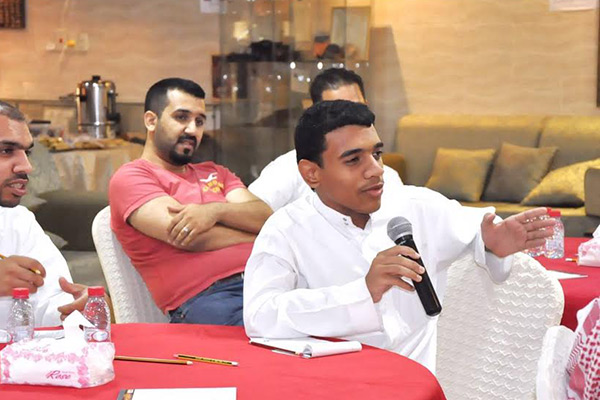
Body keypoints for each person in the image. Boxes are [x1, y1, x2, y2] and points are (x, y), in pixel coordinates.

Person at [243, 100, 554, 372]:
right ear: (311, 173)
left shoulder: (417, 206)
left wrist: (494, 242)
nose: (376, 170)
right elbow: (260, 316)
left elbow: (481, 230)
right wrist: (362, 292)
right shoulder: (285, 229)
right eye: (354, 160)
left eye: (377, 154)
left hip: (417, 383)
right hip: (329, 384)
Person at [109, 78, 272, 326]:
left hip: (268, 281)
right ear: (151, 121)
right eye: (181, 117)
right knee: (286, 336)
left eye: (199, 121)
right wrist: (258, 235)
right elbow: (190, 237)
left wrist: (214, 212)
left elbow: (266, 217)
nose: (192, 130)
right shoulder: (132, 177)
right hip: (210, 298)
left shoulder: (216, 173)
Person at [248, 67, 404, 211]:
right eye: (336, 112)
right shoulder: (288, 169)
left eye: (357, 108)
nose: (350, 118)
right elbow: (248, 213)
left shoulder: (387, 178)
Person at [0, 100, 92, 328]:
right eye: (6, 151)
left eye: (27, 152)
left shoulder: (18, 221)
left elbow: (49, 303)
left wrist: (78, 310)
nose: (26, 166)